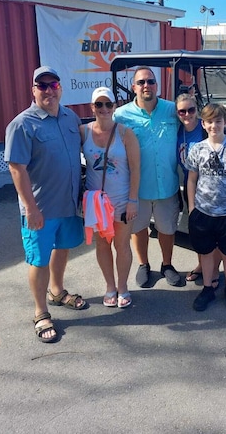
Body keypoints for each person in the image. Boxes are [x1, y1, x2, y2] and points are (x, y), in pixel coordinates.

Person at [4, 66, 86, 343]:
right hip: (40, 209)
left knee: (62, 249)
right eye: (43, 86)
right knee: (39, 259)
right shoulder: (22, 124)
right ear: (33, 90)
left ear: (60, 88)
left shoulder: (70, 117)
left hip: (68, 204)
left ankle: (58, 291)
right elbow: (17, 168)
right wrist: (31, 208)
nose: (49, 90)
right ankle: (41, 312)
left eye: (53, 85)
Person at [113, 66, 181, 287]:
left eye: (150, 81)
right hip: (138, 189)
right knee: (139, 228)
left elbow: (194, 122)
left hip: (167, 185)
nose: (146, 86)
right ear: (134, 87)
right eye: (141, 82)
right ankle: (144, 264)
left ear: (157, 85)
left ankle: (167, 264)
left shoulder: (173, 110)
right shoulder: (121, 115)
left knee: (167, 229)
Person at [186, 103, 226, 311]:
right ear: (203, 124)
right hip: (203, 212)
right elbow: (192, 180)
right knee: (205, 252)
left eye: (218, 121)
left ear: (225, 122)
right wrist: (192, 209)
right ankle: (207, 288)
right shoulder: (197, 149)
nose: (214, 125)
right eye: (210, 121)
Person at [80, 87, 140, 308]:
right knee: (102, 246)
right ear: (92, 107)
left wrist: (133, 201)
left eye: (108, 104)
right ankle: (110, 287)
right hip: (96, 205)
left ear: (114, 107)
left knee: (122, 246)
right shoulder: (83, 132)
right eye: (99, 104)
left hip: (122, 202)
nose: (103, 109)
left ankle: (123, 287)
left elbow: (136, 169)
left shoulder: (125, 134)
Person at [176, 93, 221, 288]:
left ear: (197, 111)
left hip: (212, 188)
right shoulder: (177, 131)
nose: (187, 114)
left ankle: (215, 271)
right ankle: (202, 265)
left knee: (216, 232)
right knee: (198, 230)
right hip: (191, 185)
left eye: (191, 110)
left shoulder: (205, 130)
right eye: (182, 111)